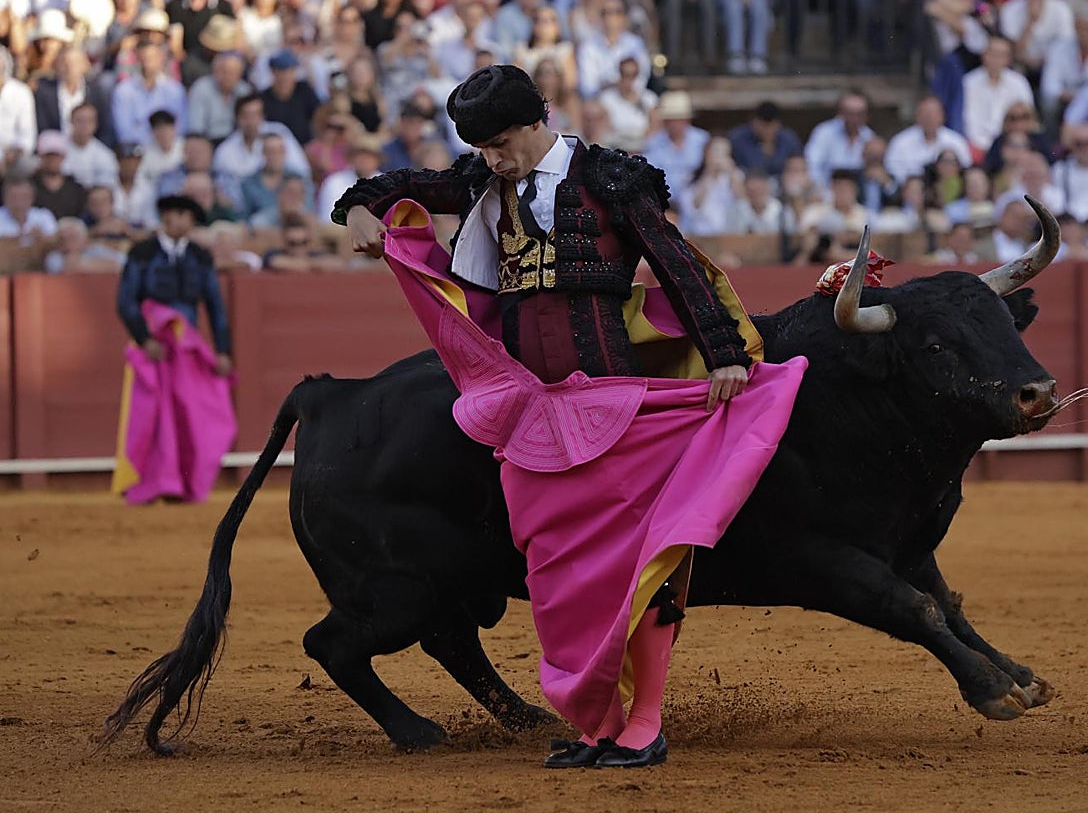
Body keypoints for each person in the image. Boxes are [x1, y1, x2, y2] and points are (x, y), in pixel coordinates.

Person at [332, 64, 805, 769]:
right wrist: (357, 210)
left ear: (536, 121)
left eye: (500, 142)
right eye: (482, 147)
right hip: (533, 413)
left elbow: (674, 263)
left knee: (632, 568)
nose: (492, 159)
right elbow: (387, 185)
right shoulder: (483, 181)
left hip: (614, 402)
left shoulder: (612, 179)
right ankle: (598, 722)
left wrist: (726, 353)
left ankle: (645, 722)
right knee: (554, 576)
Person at [113, 193, 236, 505]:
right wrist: (145, 339)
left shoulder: (199, 256)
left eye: (189, 217)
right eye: (179, 214)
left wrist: (222, 350)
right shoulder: (142, 252)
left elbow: (215, 306)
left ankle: (182, 484)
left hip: (186, 347)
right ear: (166, 216)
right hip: (151, 346)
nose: (184, 222)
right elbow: (126, 302)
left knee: (188, 414)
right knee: (148, 415)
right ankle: (147, 484)